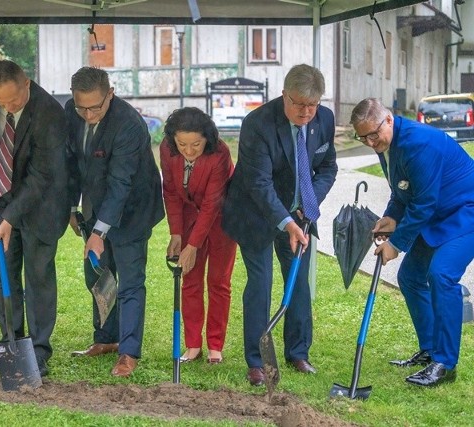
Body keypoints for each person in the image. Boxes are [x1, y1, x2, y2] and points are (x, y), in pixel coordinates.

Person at [221, 64, 337, 386]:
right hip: (256, 213)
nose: (306, 112)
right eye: (299, 104)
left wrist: (307, 208)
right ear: (284, 95)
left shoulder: (324, 119)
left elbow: (328, 167)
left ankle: (298, 353)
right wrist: (285, 221)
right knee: (261, 283)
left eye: (312, 105)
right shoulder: (257, 123)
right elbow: (258, 183)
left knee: (298, 282)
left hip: (300, 215)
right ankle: (256, 361)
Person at [0, 60, 70, 377]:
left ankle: (38, 350)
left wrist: (10, 217)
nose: (7, 107)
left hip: (41, 203)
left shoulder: (50, 113)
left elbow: (41, 176)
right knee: (3, 272)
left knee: (38, 277)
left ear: (27, 85)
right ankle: (11, 341)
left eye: (14, 101)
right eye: (0, 102)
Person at [350, 97, 474, 387]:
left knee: (441, 274)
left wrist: (396, 245)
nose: (369, 141)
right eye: (363, 136)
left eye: (373, 133)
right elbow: (402, 190)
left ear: (389, 120)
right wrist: (391, 217)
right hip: (439, 214)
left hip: (466, 212)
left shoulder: (420, 144)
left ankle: (445, 363)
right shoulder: (387, 143)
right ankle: (430, 350)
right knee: (410, 277)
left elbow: (424, 203)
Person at [65, 66, 164, 377]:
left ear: (111, 94)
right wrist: (72, 205)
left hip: (134, 209)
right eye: (82, 107)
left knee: (130, 283)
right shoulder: (72, 112)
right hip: (96, 207)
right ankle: (106, 338)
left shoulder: (129, 125)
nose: (89, 114)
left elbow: (121, 183)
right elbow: (72, 161)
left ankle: (129, 351)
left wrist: (98, 232)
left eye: (96, 107)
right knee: (98, 275)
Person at [159, 107, 236, 364]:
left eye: (196, 144)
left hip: (222, 221)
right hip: (190, 218)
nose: (189, 151)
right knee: (189, 280)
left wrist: (192, 246)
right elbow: (170, 191)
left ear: (207, 139)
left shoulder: (220, 154)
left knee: (218, 282)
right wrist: (177, 234)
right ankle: (193, 345)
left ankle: (215, 346)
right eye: (182, 144)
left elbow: (213, 203)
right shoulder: (167, 150)